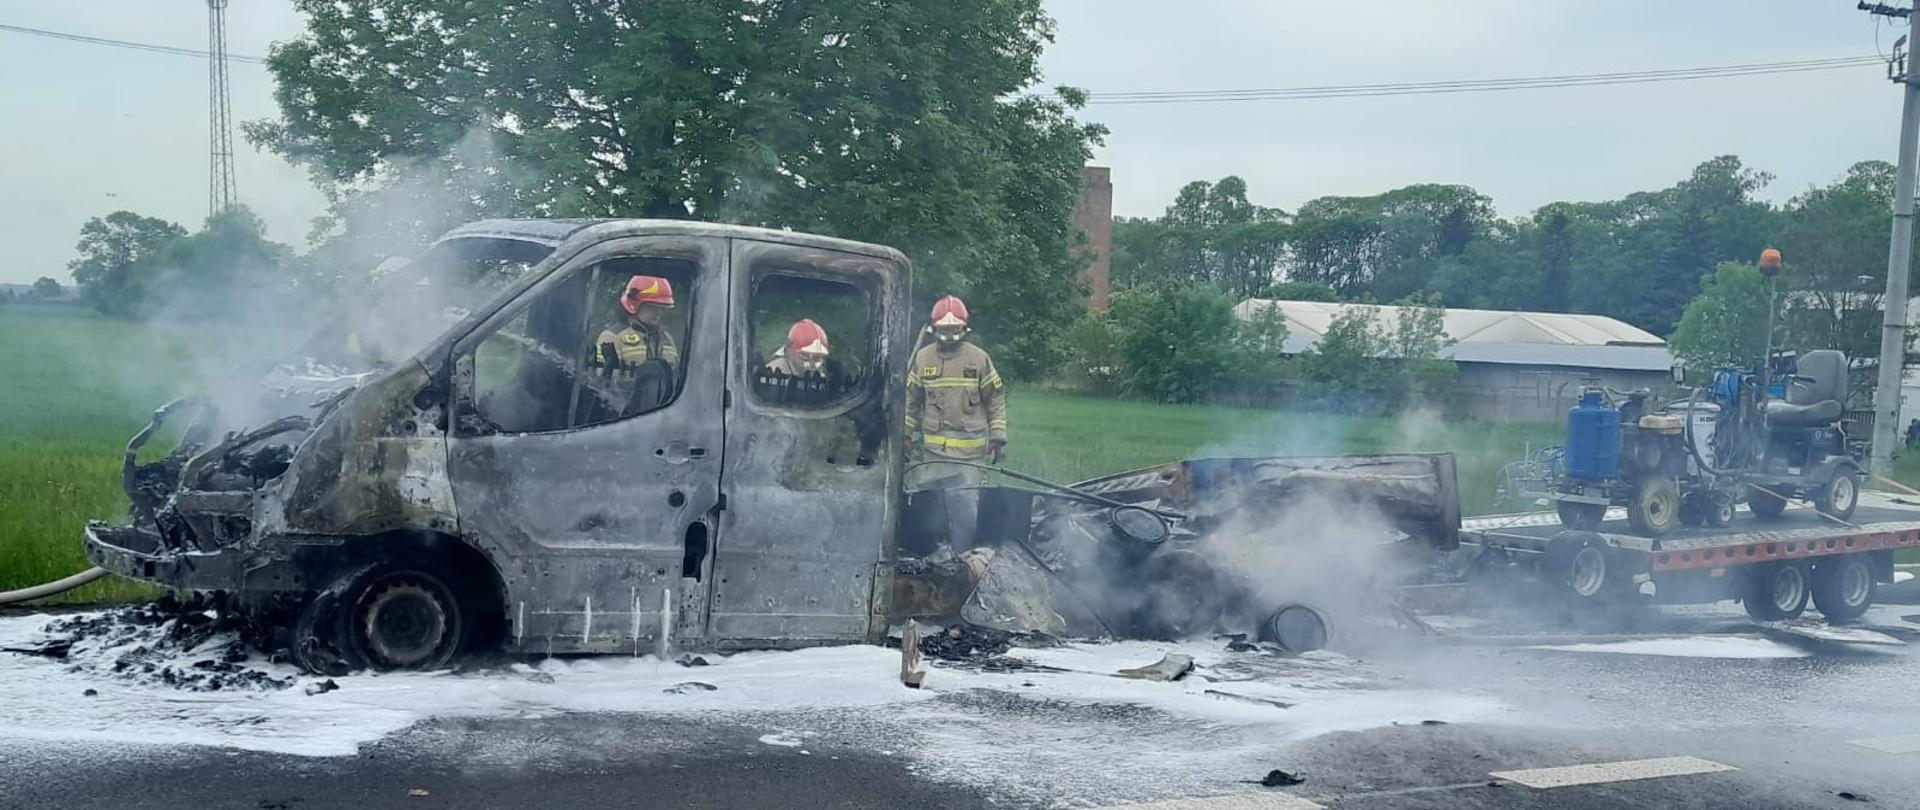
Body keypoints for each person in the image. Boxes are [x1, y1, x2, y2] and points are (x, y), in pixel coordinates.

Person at [904, 295, 1007, 549]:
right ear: (934, 328)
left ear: (964, 328)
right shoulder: (922, 358)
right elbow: (911, 400)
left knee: (965, 512)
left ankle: (964, 559)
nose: (949, 336)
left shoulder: (978, 359)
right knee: (930, 511)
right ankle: (931, 559)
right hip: (933, 455)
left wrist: (997, 437)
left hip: (968, 459)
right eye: (944, 330)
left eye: (954, 330)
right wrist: (904, 435)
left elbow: (995, 398)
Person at [594, 275, 681, 412]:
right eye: (652, 307)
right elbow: (601, 387)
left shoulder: (667, 339)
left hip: (664, 413)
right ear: (635, 304)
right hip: (623, 416)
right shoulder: (612, 337)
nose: (659, 312)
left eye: (662, 307)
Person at [766, 318, 831, 377]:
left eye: (817, 359)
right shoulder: (772, 374)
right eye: (805, 358)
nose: (811, 364)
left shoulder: (821, 377)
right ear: (790, 354)